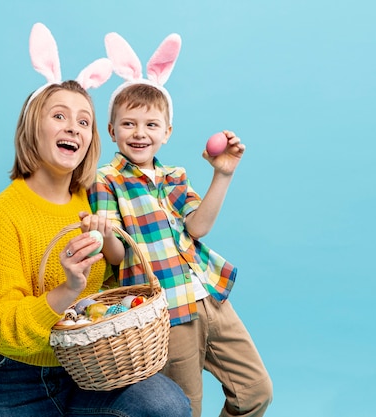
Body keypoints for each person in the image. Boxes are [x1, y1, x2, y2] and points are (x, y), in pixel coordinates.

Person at [0, 23, 191, 417]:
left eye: (84, 121)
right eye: (59, 116)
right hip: (16, 378)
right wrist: (67, 289)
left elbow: (109, 293)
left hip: (87, 370)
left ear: (90, 139)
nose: (74, 126)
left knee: (167, 405)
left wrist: (112, 256)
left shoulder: (93, 203)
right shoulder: (5, 211)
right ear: (32, 126)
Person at [89, 32, 272, 417]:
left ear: (167, 132)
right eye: (129, 124)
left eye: (151, 124)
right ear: (112, 131)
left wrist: (222, 175)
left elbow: (198, 227)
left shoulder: (174, 175)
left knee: (255, 391)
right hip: (166, 310)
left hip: (208, 293)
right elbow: (119, 255)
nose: (140, 133)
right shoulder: (106, 180)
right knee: (184, 409)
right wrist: (105, 234)